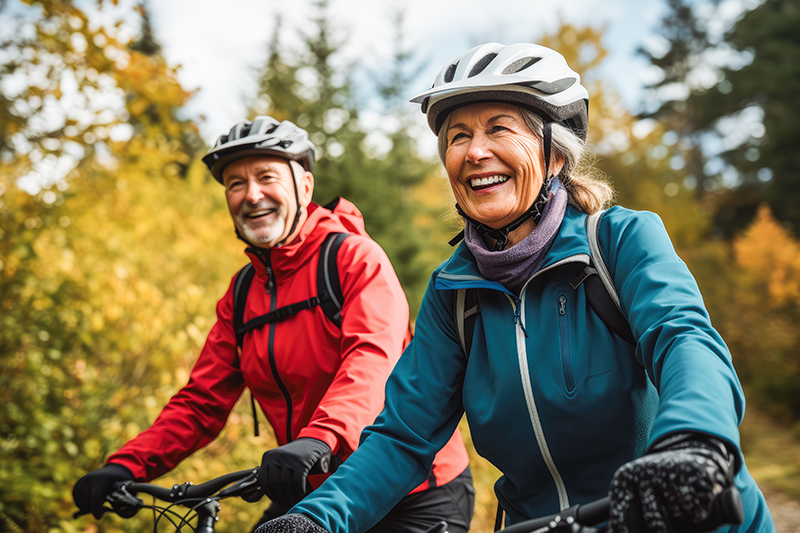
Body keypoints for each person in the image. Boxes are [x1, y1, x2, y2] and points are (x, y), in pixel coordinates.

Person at [254, 43, 776, 533]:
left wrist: (694, 444)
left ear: (554, 156)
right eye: (457, 136)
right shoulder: (453, 293)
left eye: (499, 129)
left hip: (679, 511)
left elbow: (684, 339)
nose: (475, 151)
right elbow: (402, 437)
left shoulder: (618, 241)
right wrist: (317, 518)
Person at [71, 116, 474, 533]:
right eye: (235, 184)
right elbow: (201, 401)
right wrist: (125, 465)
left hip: (413, 490)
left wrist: (320, 438)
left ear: (304, 187)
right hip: (308, 486)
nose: (252, 195)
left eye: (266, 176)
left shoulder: (354, 259)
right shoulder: (243, 294)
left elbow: (372, 362)